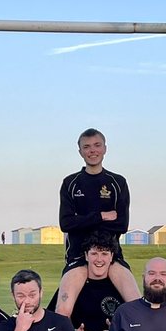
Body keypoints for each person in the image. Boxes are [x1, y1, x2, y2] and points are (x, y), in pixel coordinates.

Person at [53, 128, 140, 318]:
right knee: (62, 311)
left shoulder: (118, 182)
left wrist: (82, 221)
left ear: (105, 148)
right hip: (77, 256)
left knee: (136, 306)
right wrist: (101, 216)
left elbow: (121, 224)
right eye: (87, 147)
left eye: (97, 145)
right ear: (80, 152)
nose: (92, 150)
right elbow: (66, 224)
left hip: (112, 256)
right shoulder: (70, 183)